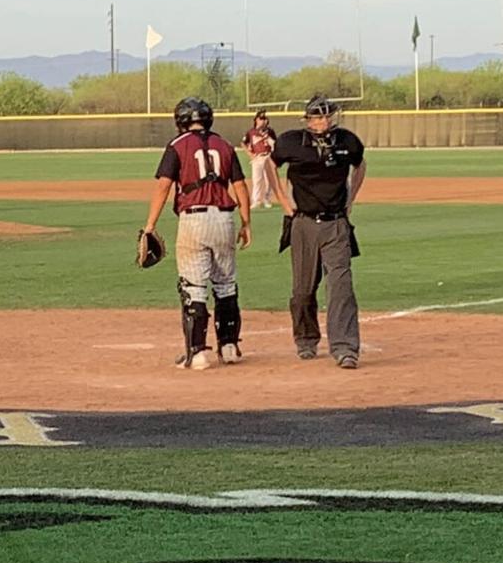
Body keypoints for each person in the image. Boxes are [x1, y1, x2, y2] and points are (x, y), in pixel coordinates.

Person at [141, 97, 252, 370]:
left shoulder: (177, 146)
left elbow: (163, 187)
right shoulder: (225, 145)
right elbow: (239, 186)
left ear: (180, 121)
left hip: (194, 219)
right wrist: (246, 222)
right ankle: (229, 347)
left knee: (193, 286)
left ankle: (197, 353)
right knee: (226, 284)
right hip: (224, 218)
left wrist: (150, 226)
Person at [270, 95, 367, 369]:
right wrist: (282, 199)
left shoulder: (347, 141)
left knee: (341, 287)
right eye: (318, 116)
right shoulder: (291, 141)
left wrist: (352, 199)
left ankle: (345, 347)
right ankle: (306, 338)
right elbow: (270, 164)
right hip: (303, 223)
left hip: (336, 223)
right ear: (308, 119)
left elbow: (361, 164)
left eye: (327, 116)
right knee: (303, 289)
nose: (323, 121)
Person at [241, 110, 277, 209]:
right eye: (261, 119)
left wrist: (268, 138)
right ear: (256, 120)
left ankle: (266, 199)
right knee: (257, 180)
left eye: (265, 119)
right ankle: (256, 200)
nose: (263, 121)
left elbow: (275, 143)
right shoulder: (251, 132)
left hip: (268, 156)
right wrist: (249, 154)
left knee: (268, 180)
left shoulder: (270, 131)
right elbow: (243, 143)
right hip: (257, 157)